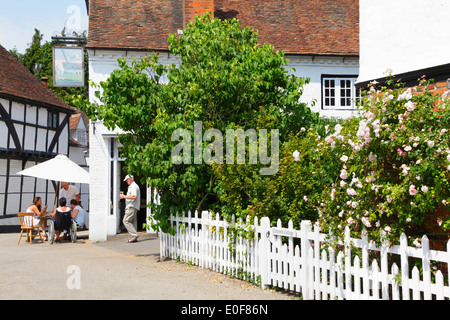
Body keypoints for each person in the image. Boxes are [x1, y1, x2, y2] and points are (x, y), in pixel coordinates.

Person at [120, 174, 140, 243]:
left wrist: (124, 196)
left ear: (129, 179)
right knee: (133, 221)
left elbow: (134, 197)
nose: (126, 181)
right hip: (134, 206)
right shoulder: (134, 186)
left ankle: (134, 235)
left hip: (131, 206)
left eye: (126, 180)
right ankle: (134, 238)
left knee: (126, 221)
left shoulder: (133, 186)